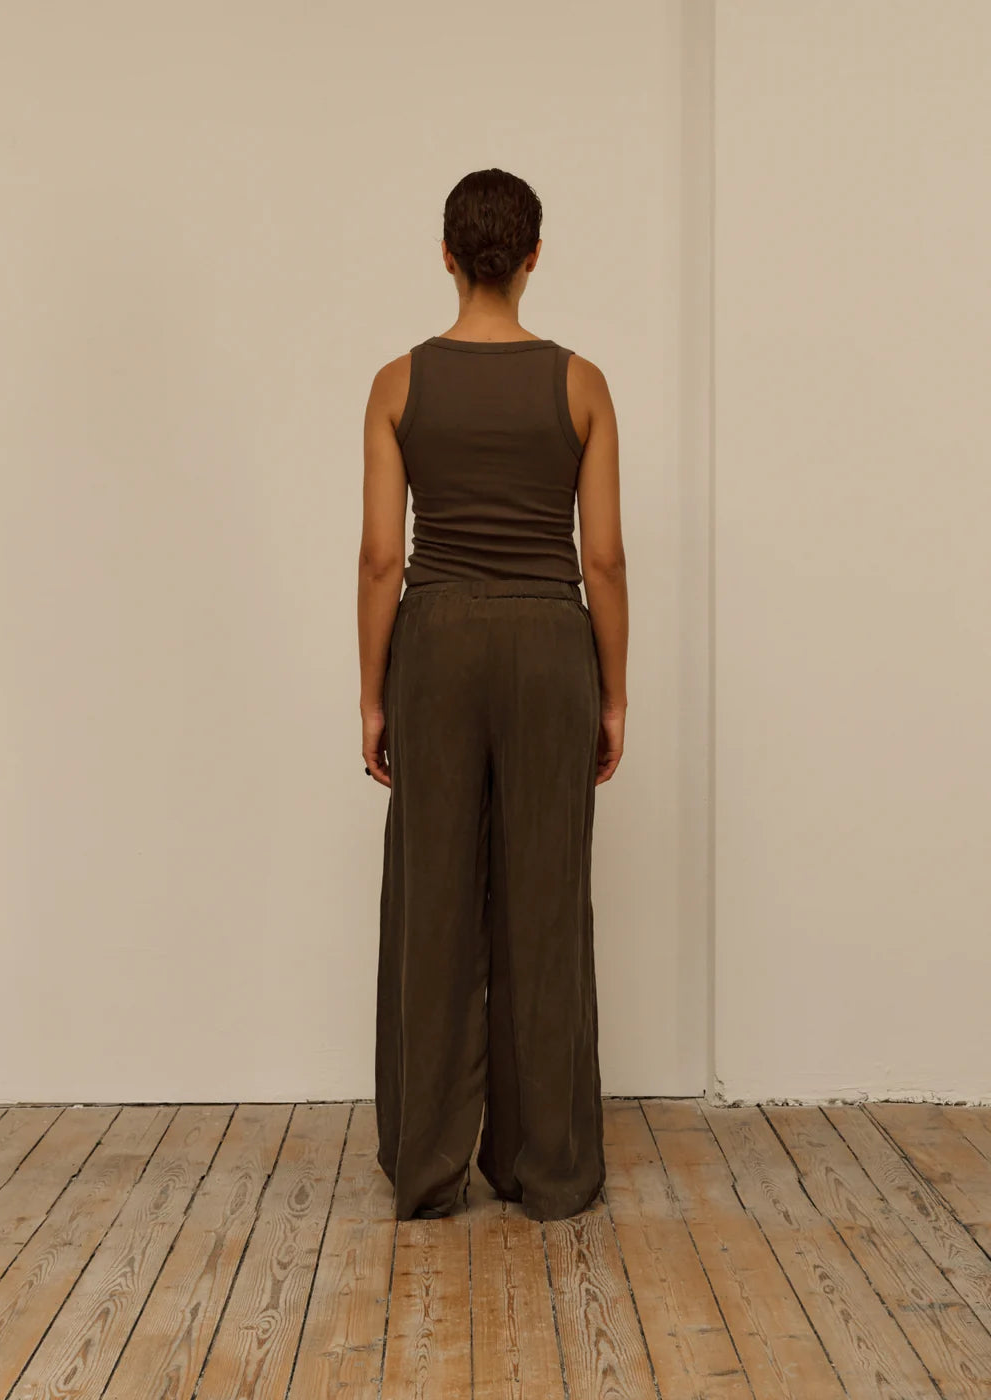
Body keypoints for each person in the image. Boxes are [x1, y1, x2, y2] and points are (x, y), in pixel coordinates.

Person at [357, 167, 628, 1222]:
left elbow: (383, 559)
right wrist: (613, 695)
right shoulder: (581, 385)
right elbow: (601, 559)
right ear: (532, 257)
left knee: (432, 898)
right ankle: (543, 1165)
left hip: (435, 644)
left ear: (445, 255)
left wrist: (372, 696)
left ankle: (427, 1166)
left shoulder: (397, 384)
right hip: (550, 644)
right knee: (545, 899)